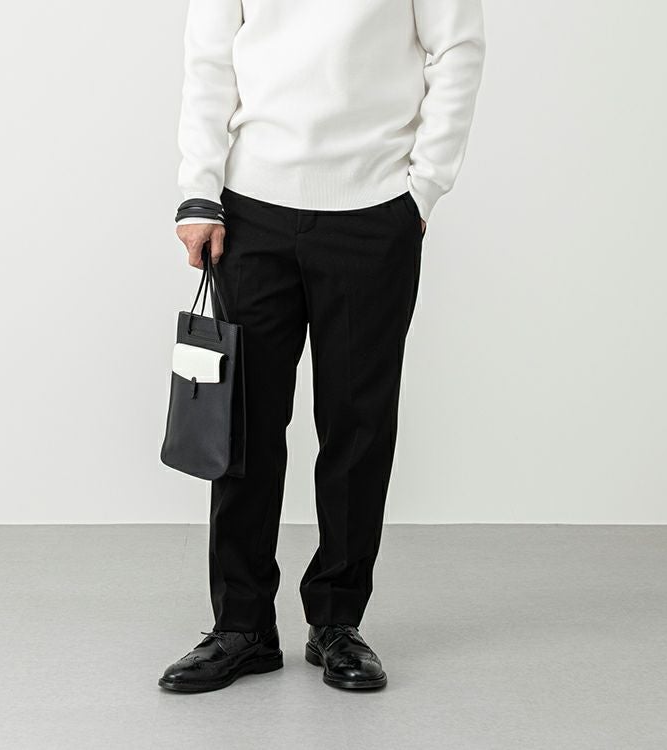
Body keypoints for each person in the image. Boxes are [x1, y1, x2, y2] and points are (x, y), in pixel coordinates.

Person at [159, 0, 485, 693]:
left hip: (374, 209)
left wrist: (424, 186)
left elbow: (458, 47)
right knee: (244, 424)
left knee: (357, 425)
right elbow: (210, 58)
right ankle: (242, 625)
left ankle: (337, 620)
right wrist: (199, 191)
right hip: (250, 207)